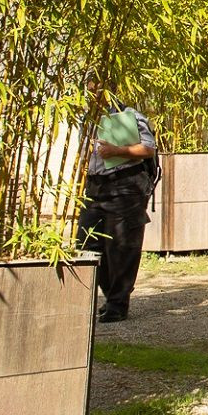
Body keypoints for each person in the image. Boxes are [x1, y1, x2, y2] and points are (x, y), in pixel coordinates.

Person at [78, 84, 158, 323]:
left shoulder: (128, 116)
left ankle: (117, 304)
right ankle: (109, 295)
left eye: (95, 89)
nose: (91, 94)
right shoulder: (86, 120)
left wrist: (117, 150)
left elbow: (148, 148)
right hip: (95, 187)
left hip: (125, 186)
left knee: (121, 249)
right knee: (87, 243)